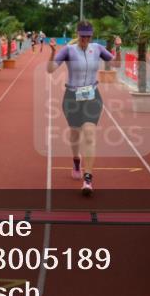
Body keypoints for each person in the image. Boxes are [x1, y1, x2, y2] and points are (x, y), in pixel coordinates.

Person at [46, 20, 114, 196]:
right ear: (77, 34)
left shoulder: (97, 49)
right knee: (75, 134)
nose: (85, 40)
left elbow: (114, 63)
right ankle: (76, 159)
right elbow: (50, 69)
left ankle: (88, 177)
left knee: (90, 134)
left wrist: (118, 49)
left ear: (92, 36)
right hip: (72, 97)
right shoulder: (68, 50)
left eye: (88, 37)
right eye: (82, 36)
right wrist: (53, 53)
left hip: (92, 96)